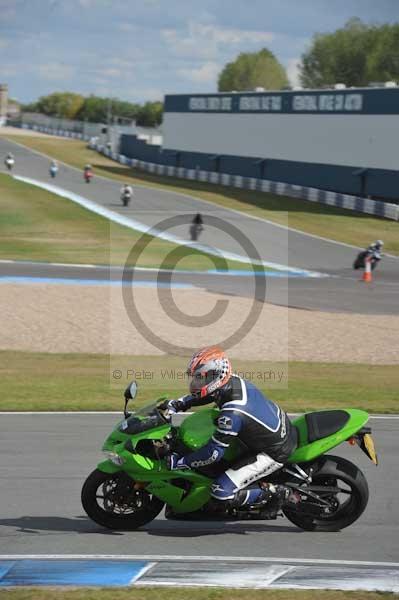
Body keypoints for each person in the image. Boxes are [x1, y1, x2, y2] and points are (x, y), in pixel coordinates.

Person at [161, 346, 298, 512]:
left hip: (273, 451)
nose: (196, 382)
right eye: (196, 377)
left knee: (220, 491)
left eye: (201, 378)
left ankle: (277, 492)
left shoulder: (232, 413)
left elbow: (213, 454)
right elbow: (208, 394)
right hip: (270, 431)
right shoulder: (231, 381)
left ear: (216, 377)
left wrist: (181, 462)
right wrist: (180, 403)